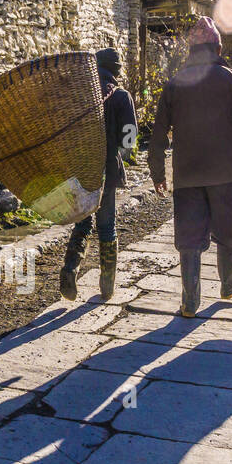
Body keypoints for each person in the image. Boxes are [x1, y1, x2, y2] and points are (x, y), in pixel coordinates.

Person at [147, 17, 232, 318]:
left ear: (191, 51)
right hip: (227, 174)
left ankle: (190, 302)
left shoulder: (175, 84)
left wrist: (157, 173)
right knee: (228, 230)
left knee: (189, 237)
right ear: (218, 48)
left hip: (187, 175)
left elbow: (158, 135)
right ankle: (228, 284)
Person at [60, 46, 138, 302]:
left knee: (83, 222)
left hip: (80, 169)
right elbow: (130, 139)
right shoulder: (122, 96)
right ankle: (107, 286)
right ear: (117, 71)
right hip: (107, 168)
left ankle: (70, 269)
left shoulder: (81, 95)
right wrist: (120, 148)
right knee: (107, 225)